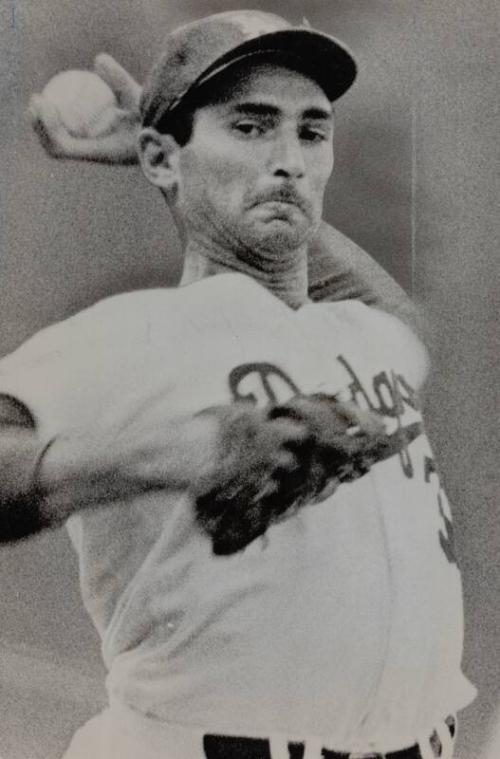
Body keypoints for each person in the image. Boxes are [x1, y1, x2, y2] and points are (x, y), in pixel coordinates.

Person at [0, 10, 475, 759]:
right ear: (163, 157)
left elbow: (397, 315)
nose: (289, 158)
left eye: (310, 132)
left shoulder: (369, 335)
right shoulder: (135, 333)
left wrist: (183, 165)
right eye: (251, 127)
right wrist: (181, 451)